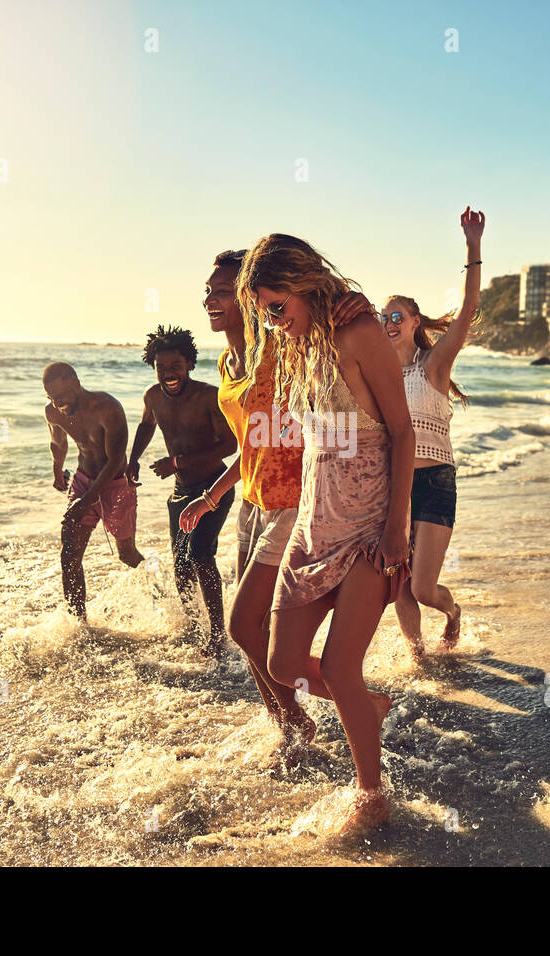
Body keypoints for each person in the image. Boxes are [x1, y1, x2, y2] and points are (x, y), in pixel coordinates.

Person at [236, 234, 414, 834]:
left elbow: (404, 434)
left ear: (304, 285)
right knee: (283, 663)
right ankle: (370, 708)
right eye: (263, 310)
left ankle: (372, 794)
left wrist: (396, 528)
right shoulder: (302, 347)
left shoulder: (359, 334)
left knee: (340, 668)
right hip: (314, 526)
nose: (271, 319)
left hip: (368, 529)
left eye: (276, 306)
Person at [179, 250, 375, 766]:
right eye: (209, 290)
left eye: (223, 290)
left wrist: (355, 302)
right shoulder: (227, 363)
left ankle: (320, 712)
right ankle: (291, 724)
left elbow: (327, 322)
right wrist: (213, 494)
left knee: (244, 627)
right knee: (251, 633)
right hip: (252, 500)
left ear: (250, 296)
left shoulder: (282, 344)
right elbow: (253, 444)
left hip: (297, 499)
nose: (211, 299)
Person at [384, 207, 484, 660]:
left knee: (423, 588)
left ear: (416, 322)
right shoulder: (377, 377)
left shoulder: (434, 365)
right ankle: (416, 655)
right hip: (395, 485)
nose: (389, 322)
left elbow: (467, 312)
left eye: (397, 315)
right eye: (383, 317)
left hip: (436, 481)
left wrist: (472, 244)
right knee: (398, 582)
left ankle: (453, 610)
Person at [127, 326, 238, 656]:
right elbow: (148, 424)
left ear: (189, 363)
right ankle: (194, 628)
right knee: (181, 566)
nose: (168, 374)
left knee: (202, 556)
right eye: (161, 367)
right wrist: (132, 460)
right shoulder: (153, 396)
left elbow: (230, 445)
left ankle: (217, 635)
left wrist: (178, 461)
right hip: (180, 493)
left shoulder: (208, 396)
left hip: (214, 488)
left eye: (175, 366)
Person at [43, 361, 143, 618]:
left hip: (116, 485)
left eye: (62, 396)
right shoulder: (53, 412)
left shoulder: (107, 408)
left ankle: (162, 593)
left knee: (128, 555)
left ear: (76, 384)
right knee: (70, 555)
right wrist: (57, 469)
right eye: (52, 398)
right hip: (84, 479)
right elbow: (58, 441)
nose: (58, 403)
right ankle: (80, 626)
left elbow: (115, 460)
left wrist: (86, 500)